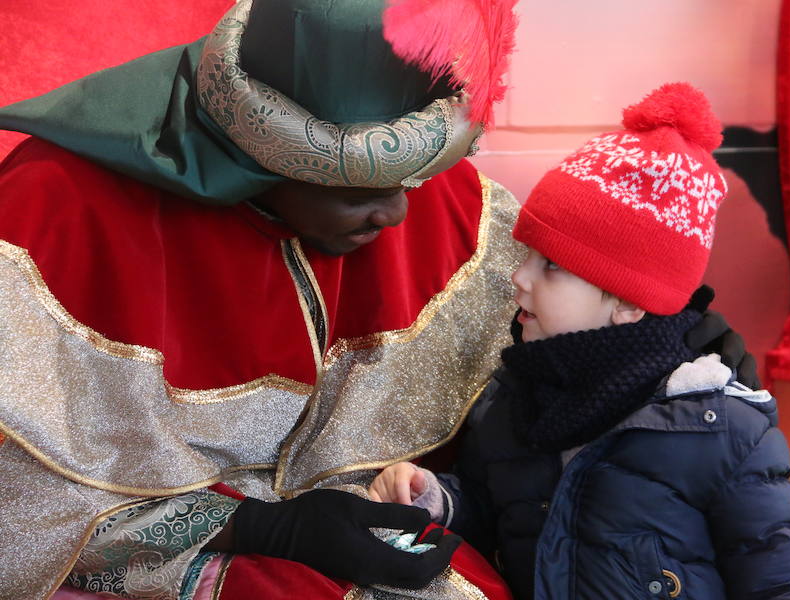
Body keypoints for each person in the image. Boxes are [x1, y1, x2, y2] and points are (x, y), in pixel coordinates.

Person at [0, 0, 752, 597]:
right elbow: (22, 512)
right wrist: (264, 530)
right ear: (256, 159)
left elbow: (562, 342)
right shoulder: (56, 215)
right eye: (360, 188)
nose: (397, 217)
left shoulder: (436, 202)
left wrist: (671, 340)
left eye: (413, 179)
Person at [369, 84, 790, 600]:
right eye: (526, 255)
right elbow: (493, 508)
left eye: (553, 266)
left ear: (629, 300)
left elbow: (781, 583)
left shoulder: (720, 431)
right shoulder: (514, 401)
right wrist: (436, 499)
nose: (520, 278)